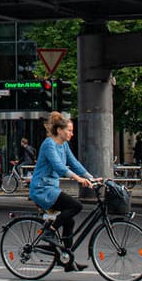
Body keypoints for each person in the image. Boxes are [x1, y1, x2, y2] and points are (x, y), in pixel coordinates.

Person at [28, 112, 98, 271]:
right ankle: (49, 231)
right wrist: (78, 179)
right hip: (41, 189)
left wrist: (91, 178)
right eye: (69, 131)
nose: (72, 134)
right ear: (59, 130)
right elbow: (59, 167)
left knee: (70, 220)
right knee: (76, 206)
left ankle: (66, 260)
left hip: (51, 188)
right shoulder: (49, 144)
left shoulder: (63, 145)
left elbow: (74, 163)